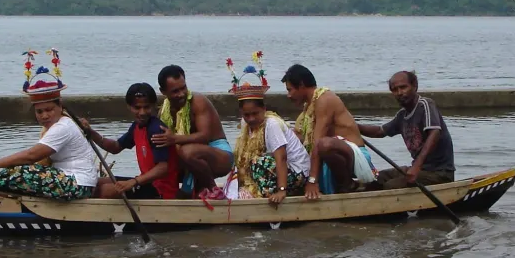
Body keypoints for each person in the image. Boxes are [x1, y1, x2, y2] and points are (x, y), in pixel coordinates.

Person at [0, 49, 98, 200]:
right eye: (39, 112)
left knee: (21, 171)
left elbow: (31, 156)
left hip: (77, 184)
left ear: (60, 106)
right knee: (21, 169)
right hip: (71, 179)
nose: (44, 115)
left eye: (49, 110)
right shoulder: (57, 126)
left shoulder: (63, 126)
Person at [223, 54, 310, 205]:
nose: (250, 119)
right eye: (246, 115)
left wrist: (281, 189)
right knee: (245, 160)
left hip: (298, 172)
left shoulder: (272, 124)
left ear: (263, 109)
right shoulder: (245, 124)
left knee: (258, 162)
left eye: (255, 114)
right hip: (278, 170)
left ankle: (274, 193)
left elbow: (281, 158)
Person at [282, 63, 377, 199]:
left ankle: (347, 185)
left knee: (324, 144)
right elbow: (300, 138)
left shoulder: (324, 99)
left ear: (301, 85)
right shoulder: (307, 108)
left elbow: (318, 142)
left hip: (356, 157)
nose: (288, 95)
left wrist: (312, 180)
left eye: (290, 90)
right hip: (331, 155)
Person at [83, 82, 181, 200]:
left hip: (160, 190)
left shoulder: (156, 130)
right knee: (94, 183)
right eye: (137, 108)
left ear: (154, 105)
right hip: (145, 183)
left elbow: (162, 168)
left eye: (147, 107)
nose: (142, 113)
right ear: (129, 107)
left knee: (105, 190)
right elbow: (115, 147)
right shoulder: (136, 127)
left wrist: (134, 182)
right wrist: (91, 132)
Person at [357, 70, 455, 187]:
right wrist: (353, 126)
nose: (399, 93)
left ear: (415, 86)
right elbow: (379, 131)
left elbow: (434, 133)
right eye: (395, 90)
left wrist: (416, 167)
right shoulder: (402, 115)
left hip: (439, 173)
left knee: (391, 186)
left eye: (403, 87)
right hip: (419, 170)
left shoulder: (425, 105)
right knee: (376, 178)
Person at [152, 64, 233, 196]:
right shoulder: (164, 109)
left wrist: (174, 139)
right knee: (161, 160)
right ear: (163, 92)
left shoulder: (198, 101)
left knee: (187, 151)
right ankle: (190, 190)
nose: (181, 94)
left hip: (220, 156)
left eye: (183, 88)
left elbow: (205, 136)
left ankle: (213, 189)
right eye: (175, 91)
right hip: (190, 162)